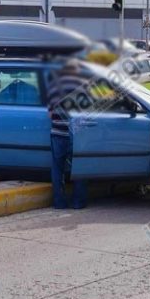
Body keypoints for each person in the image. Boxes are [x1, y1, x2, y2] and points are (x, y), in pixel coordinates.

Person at [47, 58, 89, 209]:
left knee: (57, 168)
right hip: (76, 135)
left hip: (57, 132)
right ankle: (78, 202)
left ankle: (59, 201)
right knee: (79, 167)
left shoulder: (54, 87)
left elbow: (50, 114)